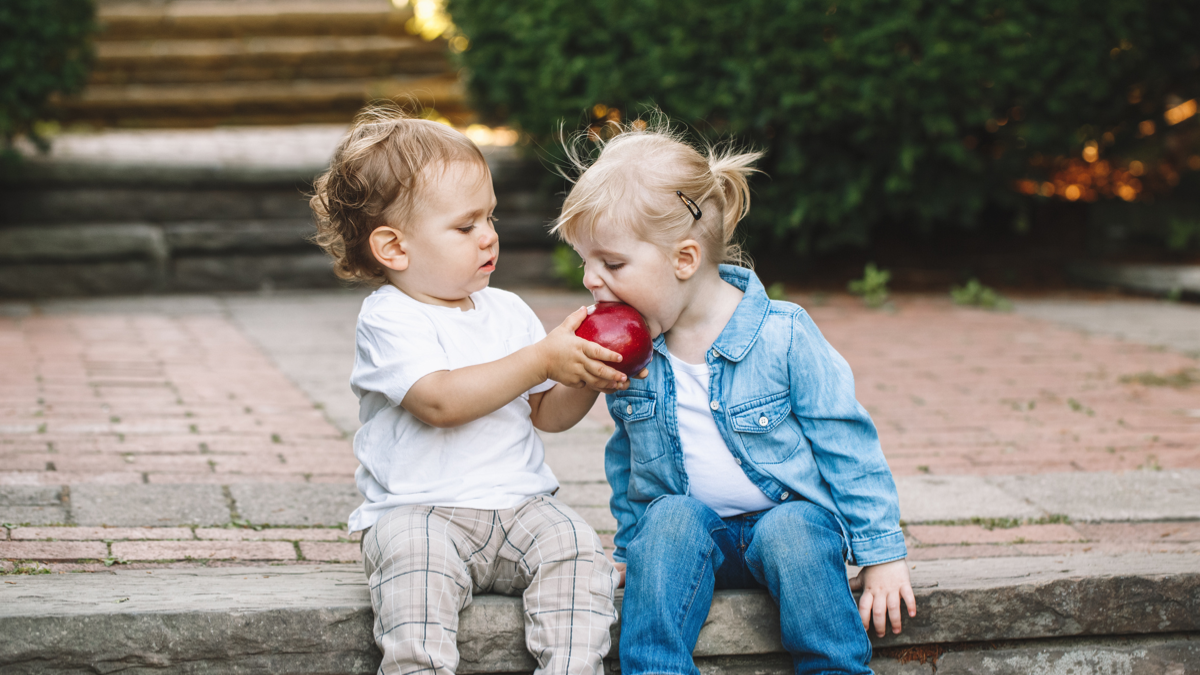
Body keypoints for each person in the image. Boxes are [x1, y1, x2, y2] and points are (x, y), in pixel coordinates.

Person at [550, 118, 916, 675]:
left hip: (787, 526)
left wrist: (881, 554)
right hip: (697, 536)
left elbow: (848, 445)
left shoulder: (783, 334)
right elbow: (629, 462)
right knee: (667, 520)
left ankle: (835, 667)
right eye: (587, 264)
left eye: (612, 264)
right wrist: (631, 548)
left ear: (685, 259)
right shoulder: (636, 353)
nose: (592, 281)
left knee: (796, 530)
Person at [310, 106, 632, 675]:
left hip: (520, 506)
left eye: (491, 217)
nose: (489, 236)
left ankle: (572, 667)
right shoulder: (390, 319)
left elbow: (546, 416)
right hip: (419, 512)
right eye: (465, 226)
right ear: (394, 249)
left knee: (579, 549)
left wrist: (584, 376)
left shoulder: (505, 309)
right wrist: (539, 359)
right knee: (415, 567)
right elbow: (439, 402)